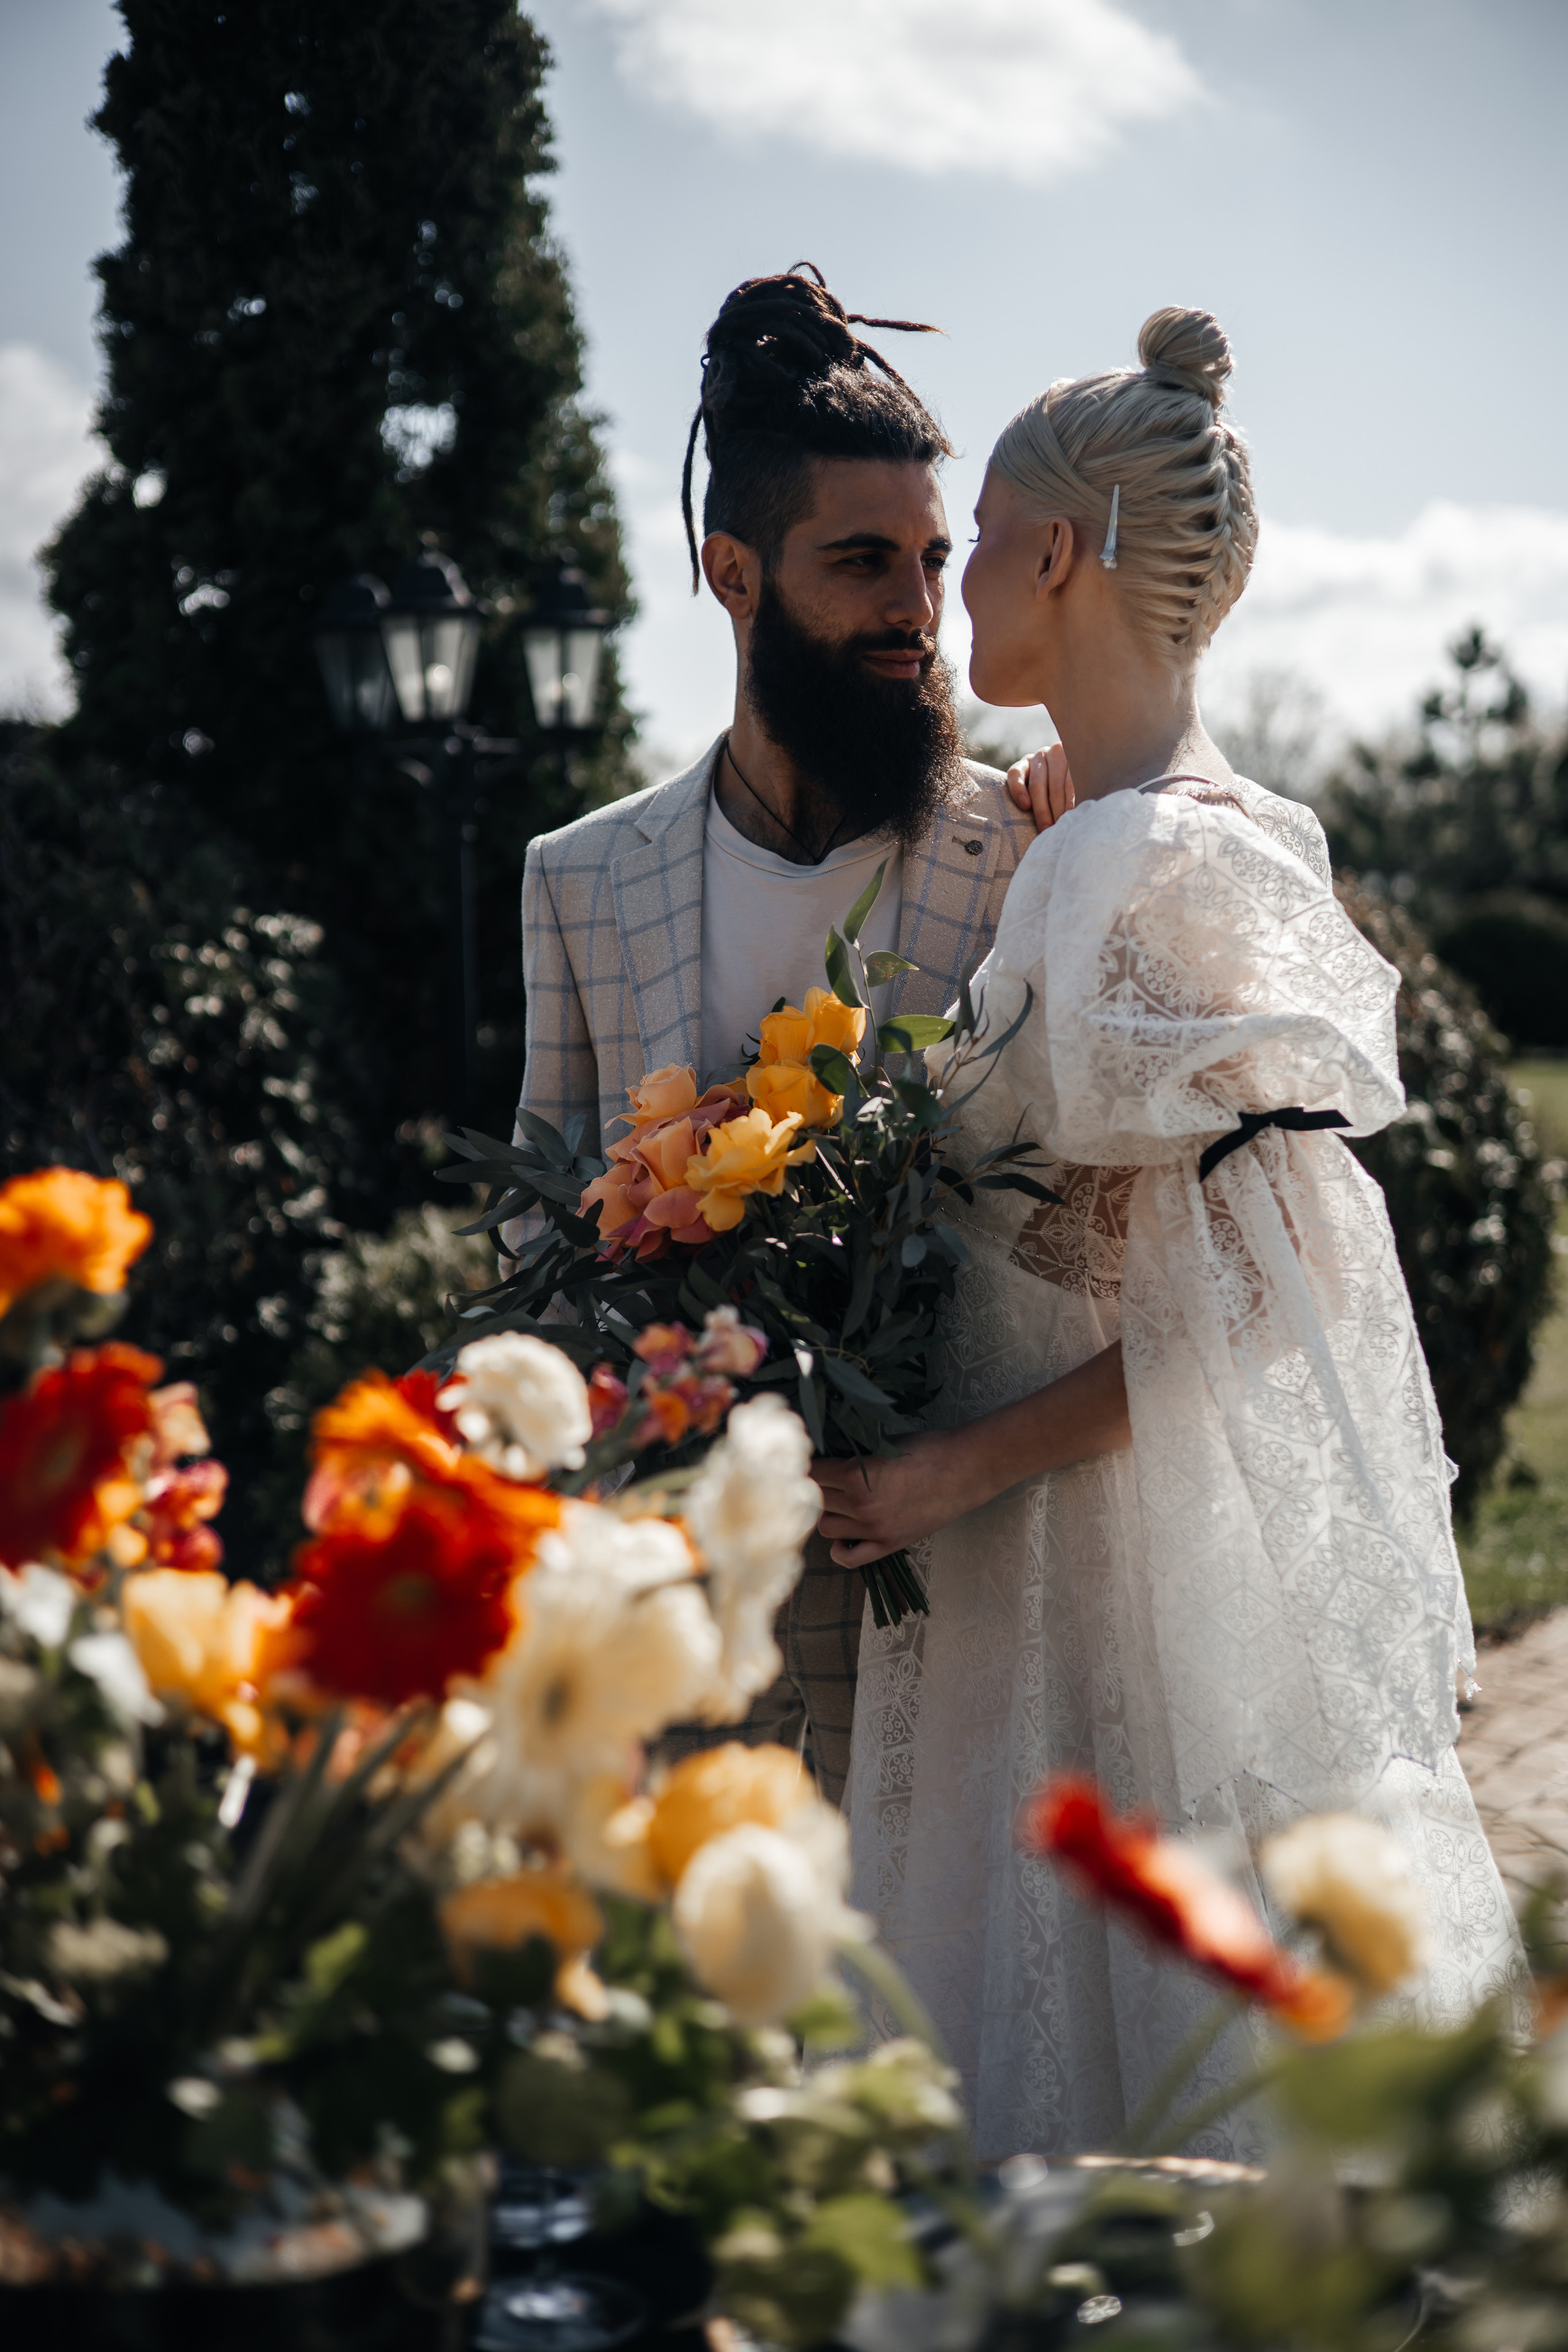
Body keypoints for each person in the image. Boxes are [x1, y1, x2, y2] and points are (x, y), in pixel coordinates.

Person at [830, 306, 1523, 2160]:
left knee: (1137, 2066)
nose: (959, 573)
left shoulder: (1161, 859)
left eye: (979, 532)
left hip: (1093, 1540)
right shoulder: (1138, 833)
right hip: (1029, 1523)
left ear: (1057, 554)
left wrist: (945, 1474)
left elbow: (1248, 1303)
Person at [509, 265, 1067, 1808]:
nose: (916, 607)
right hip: (677, 1608)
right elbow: (537, 1199)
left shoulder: (1034, 848)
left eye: (934, 559)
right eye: (863, 561)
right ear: (732, 572)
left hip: (958, 1589)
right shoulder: (576, 878)